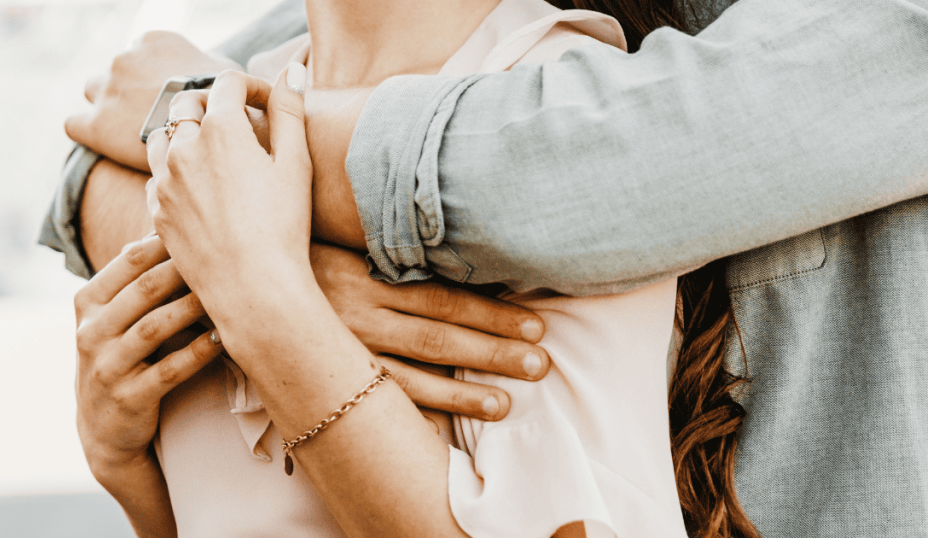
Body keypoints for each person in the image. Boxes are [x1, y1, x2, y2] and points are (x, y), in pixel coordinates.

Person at [45, 1, 928, 537]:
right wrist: (127, 473)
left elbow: (550, 173)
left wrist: (264, 289)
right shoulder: (263, 76)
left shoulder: (562, 85)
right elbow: (89, 157)